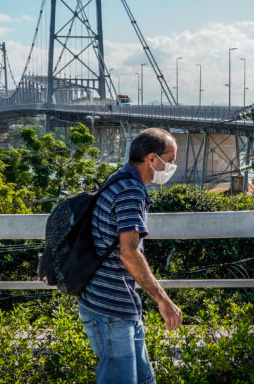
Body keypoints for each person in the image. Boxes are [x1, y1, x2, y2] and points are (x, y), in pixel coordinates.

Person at [78, 127, 182, 384]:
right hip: (110, 307)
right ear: (151, 159)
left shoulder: (119, 178)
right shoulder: (130, 191)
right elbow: (129, 252)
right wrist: (163, 300)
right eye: (169, 160)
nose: (171, 166)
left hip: (118, 304)